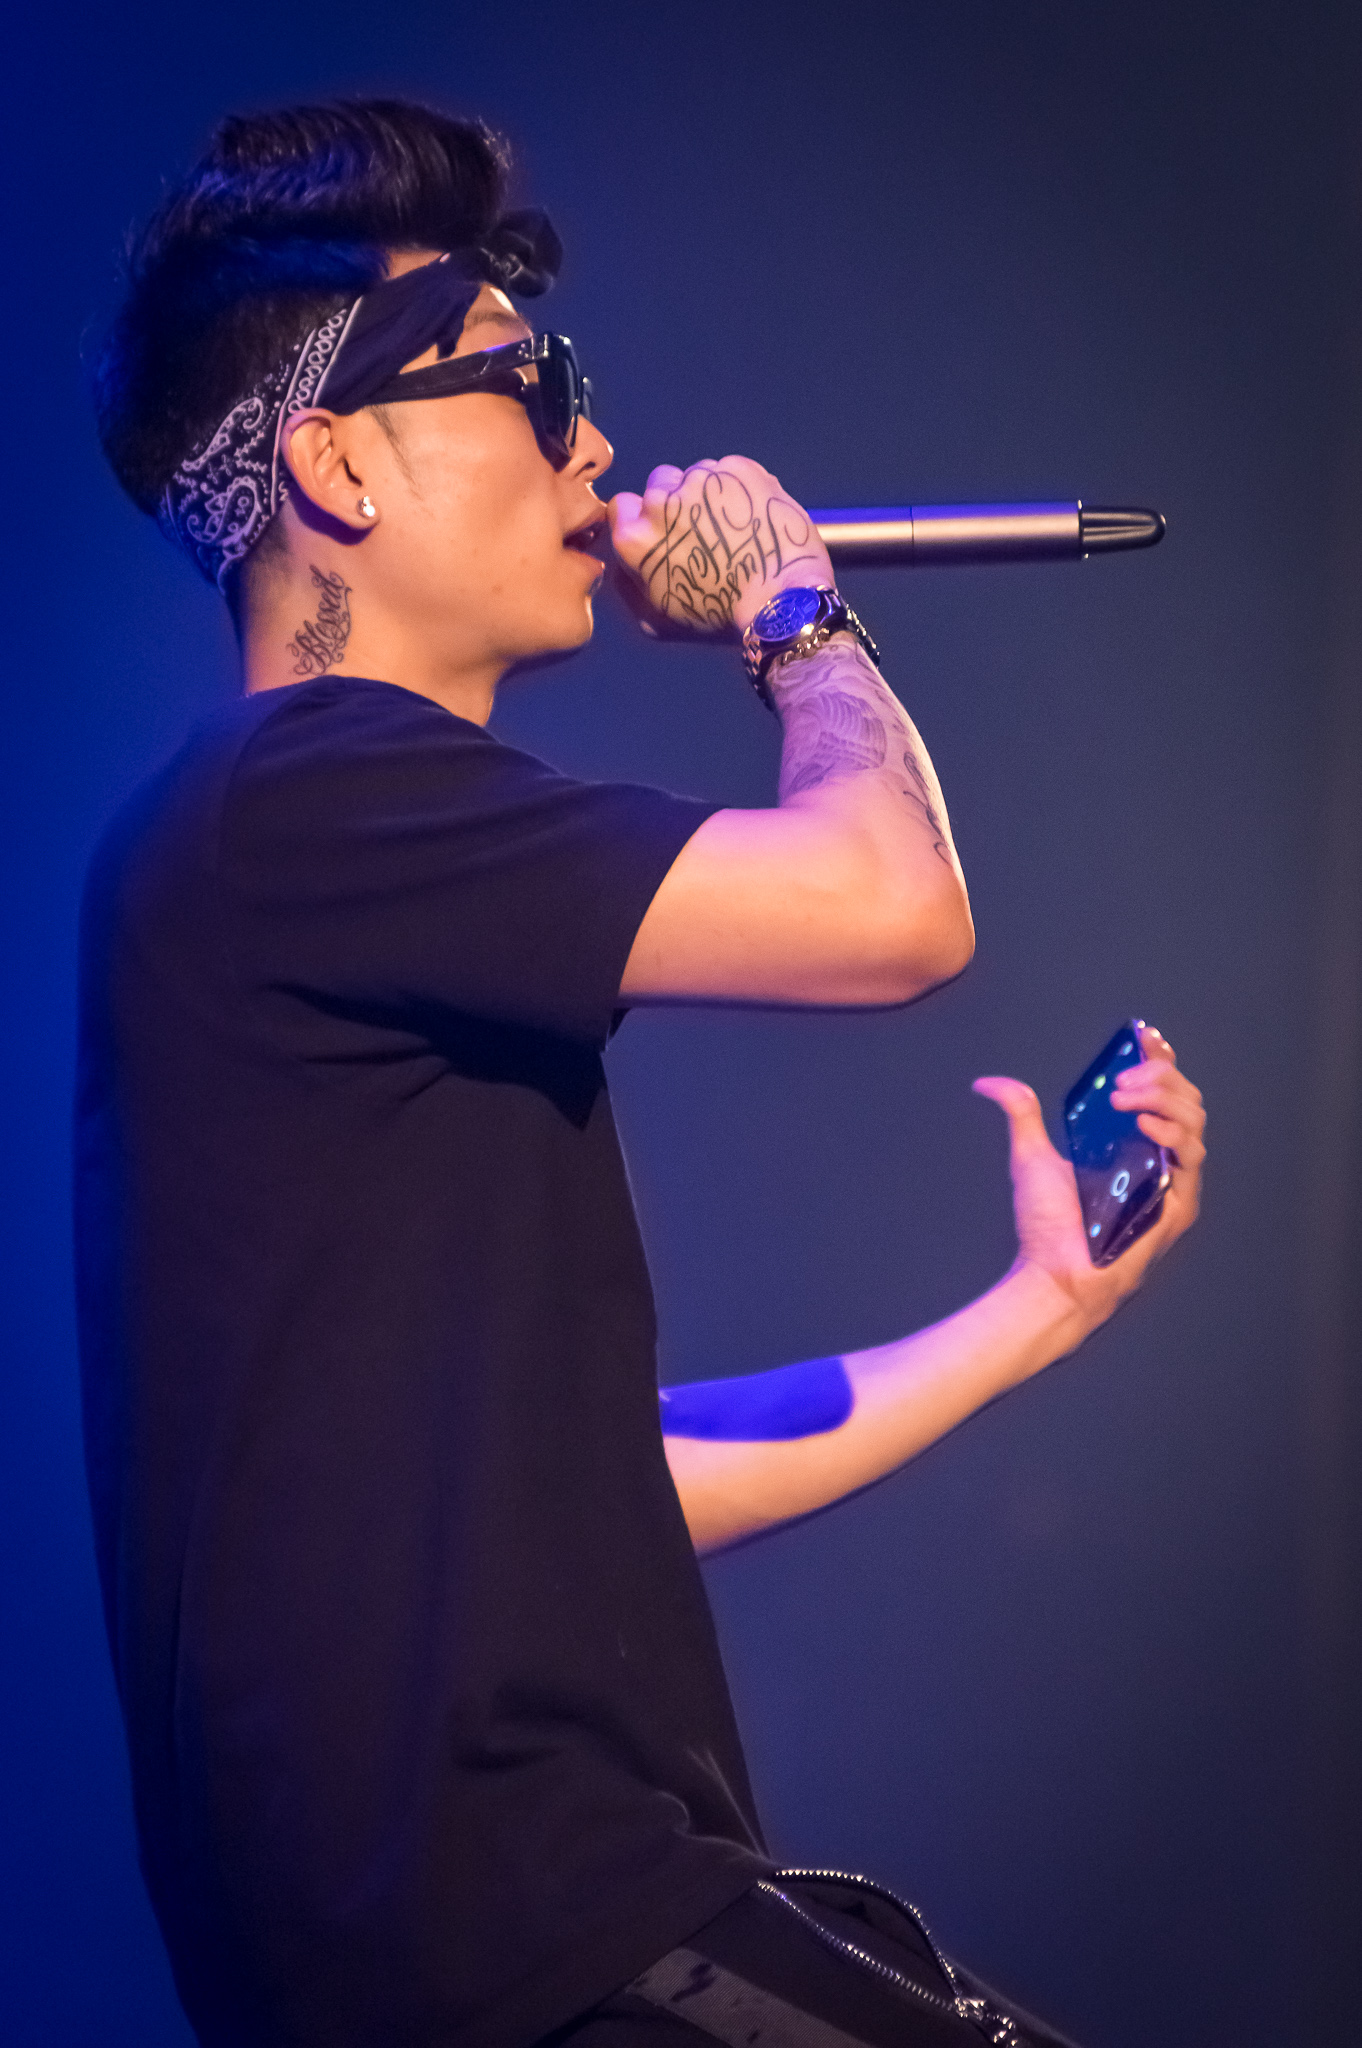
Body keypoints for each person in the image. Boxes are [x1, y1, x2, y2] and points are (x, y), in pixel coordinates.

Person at [78, 98, 1206, 2048]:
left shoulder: (306, 859)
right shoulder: (304, 794)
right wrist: (794, 613)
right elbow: (892, 909)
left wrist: (1036, 1307)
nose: (593, 445)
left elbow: (604, 1484)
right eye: (534, 384)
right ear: (336, 461)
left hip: (519, 1946)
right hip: (526, 1931)